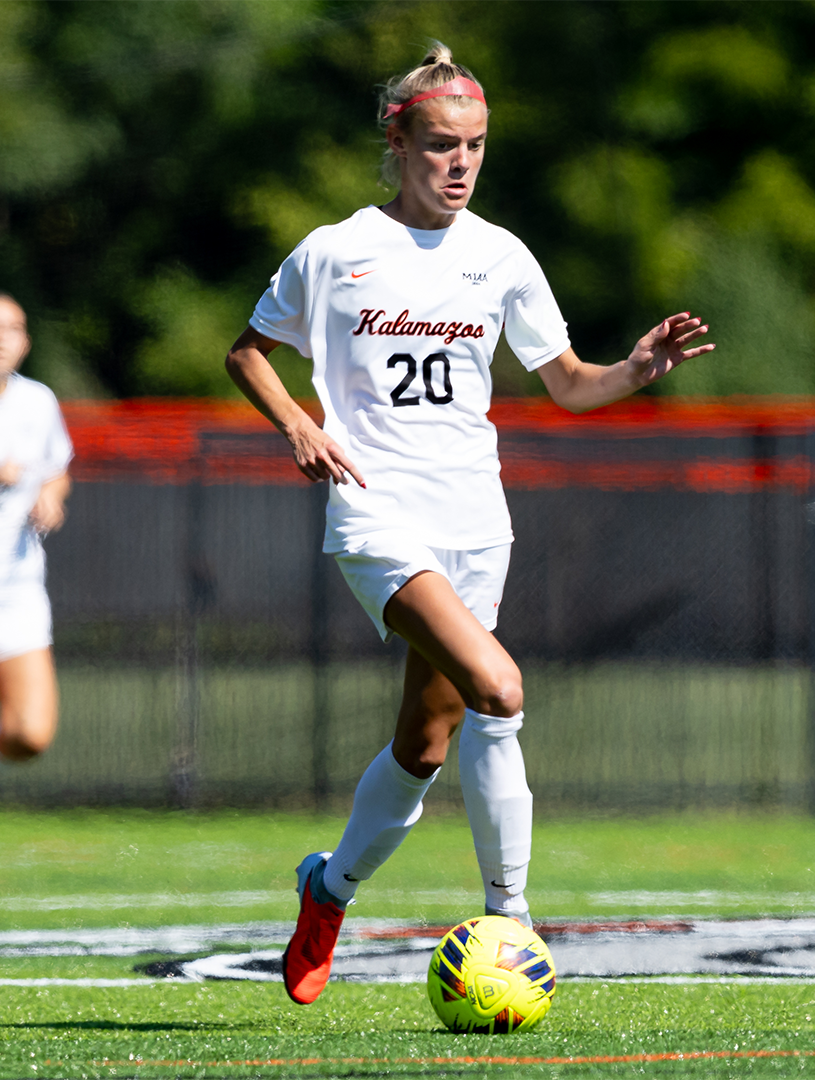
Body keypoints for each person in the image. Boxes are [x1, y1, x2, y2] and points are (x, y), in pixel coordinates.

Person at [225, 45, 714, 1006]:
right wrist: (298, 426)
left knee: (425, 742)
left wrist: (634, 370)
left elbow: (567, 382)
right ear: (397, 139)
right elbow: (248, 352)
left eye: (477, 147)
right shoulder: (336, 249)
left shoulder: (500, 255)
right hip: (375, 515)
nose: (461, 164)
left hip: (475, 522)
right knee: (499, 686)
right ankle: (514, 927)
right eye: (442, 145)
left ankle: (327, 891)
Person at [0, 293, 71, 894]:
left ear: (25, 342)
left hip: (17, 588)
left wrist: (51, 495)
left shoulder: (39, 402)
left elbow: (56, 467)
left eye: (13, 328)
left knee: (30, 735)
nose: (1, 338)